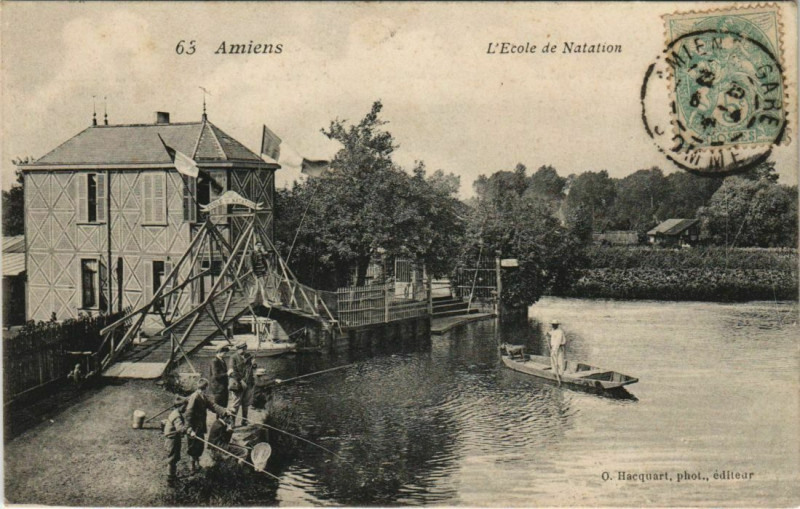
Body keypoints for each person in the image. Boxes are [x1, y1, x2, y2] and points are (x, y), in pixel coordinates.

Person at [185, 378, 230, 473]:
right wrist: (189, 428)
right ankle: (192, 466)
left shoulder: (203, 396)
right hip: (194, 426)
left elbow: (212, 406)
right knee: (193, 446)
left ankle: (197, 462)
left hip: (200, 426)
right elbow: (189, 413)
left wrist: (224, 411)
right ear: (205, 387)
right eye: (205, 388)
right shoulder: (195, 397)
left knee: (199, 446)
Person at [164, 395, 188, 484]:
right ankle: (170, 479)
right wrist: (188, 431)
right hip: (172, 440)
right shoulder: (177, 416)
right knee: (172, 459)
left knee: (174, 458)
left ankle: (172, 476)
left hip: (174, 438)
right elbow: (180, 429)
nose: (186, 408)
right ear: (180, 406)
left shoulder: (175, 412)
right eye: (185, 406)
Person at [228, 342, 250, 426]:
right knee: (235, 404)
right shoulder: (233, 357)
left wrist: (253, 364)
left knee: (246, 403)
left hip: (247, 383)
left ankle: (244, 420)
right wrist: (241, 380)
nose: (243, 350)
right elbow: (232, 372)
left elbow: (250, 368)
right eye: (241, 349)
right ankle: (232, 422)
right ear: (238, 349)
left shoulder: (248, 355)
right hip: (237, 384)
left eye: (244, 348)